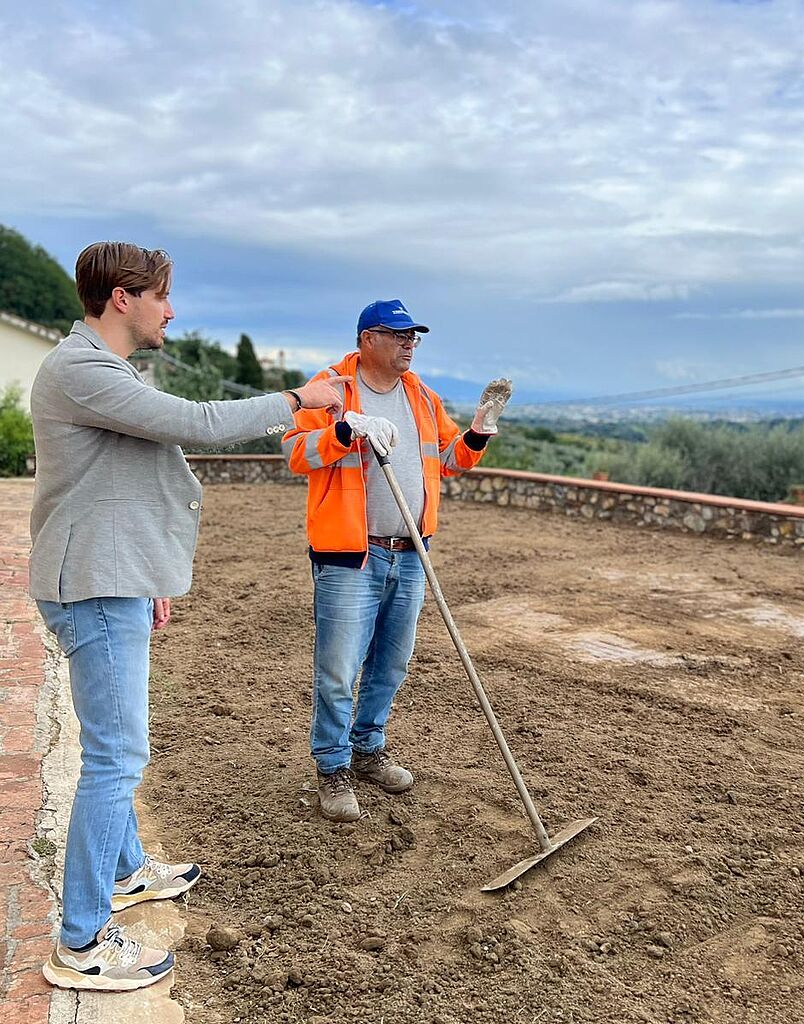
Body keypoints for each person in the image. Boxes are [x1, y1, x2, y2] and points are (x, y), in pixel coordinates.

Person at [30, 241, 349, 992]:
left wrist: (147, 577)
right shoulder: (83, 369)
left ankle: (128, 871)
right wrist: (298, 401)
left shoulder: (101, 371)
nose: (171, 311)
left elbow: (119, 477)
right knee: (117, 758)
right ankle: (79, 945)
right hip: (94, 585)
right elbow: (199, 421)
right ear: (122, 299)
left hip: (114, 577)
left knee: (115, 748)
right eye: (162, 297)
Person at [282, 299, 511, 823]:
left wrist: (479, 429)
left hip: (411, 554)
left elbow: (452, 461)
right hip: (350, 557)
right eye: (400, 334)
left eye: (415, 336)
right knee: (339, 670)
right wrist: (345, 432)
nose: (411, 343)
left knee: (391, 663)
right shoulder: (333, 388)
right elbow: (296, 453)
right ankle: (333, 767)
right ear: (368, 339)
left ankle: (368, 749)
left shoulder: (420, 397)